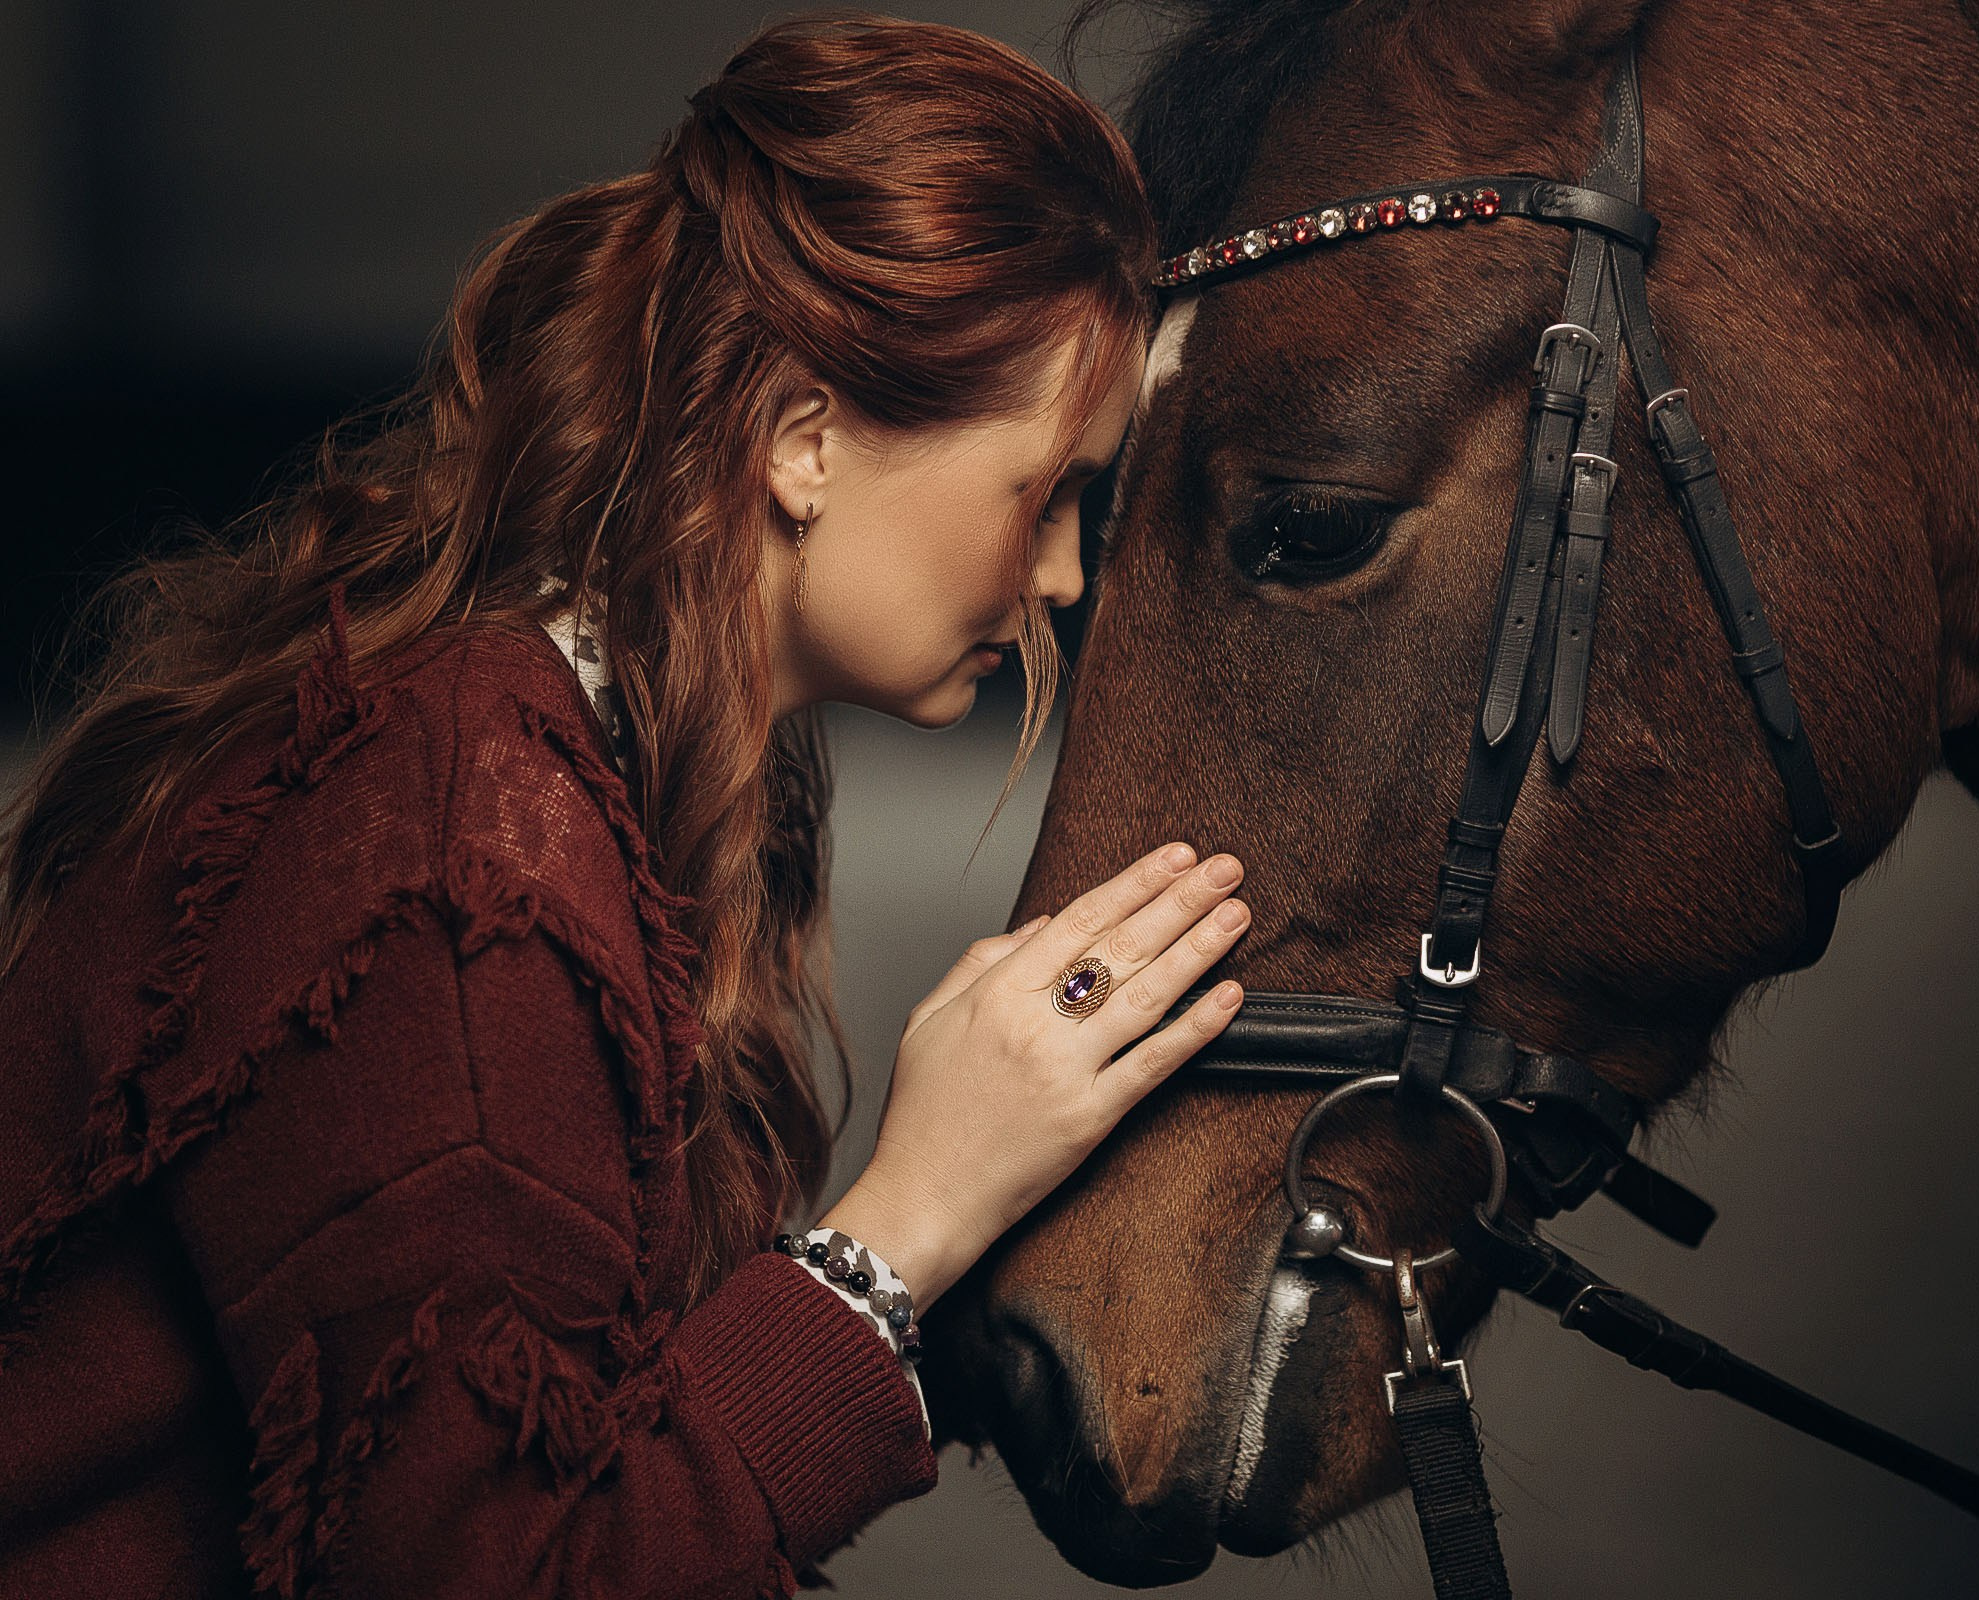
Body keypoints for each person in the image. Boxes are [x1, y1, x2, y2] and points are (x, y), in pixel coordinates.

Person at [0, 15, 1246, 1597]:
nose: (1065, 576)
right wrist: (907, 1217)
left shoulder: (565, 764)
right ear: (806, 441)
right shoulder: (456, 840)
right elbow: (519, 1572)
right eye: (1047, 489)